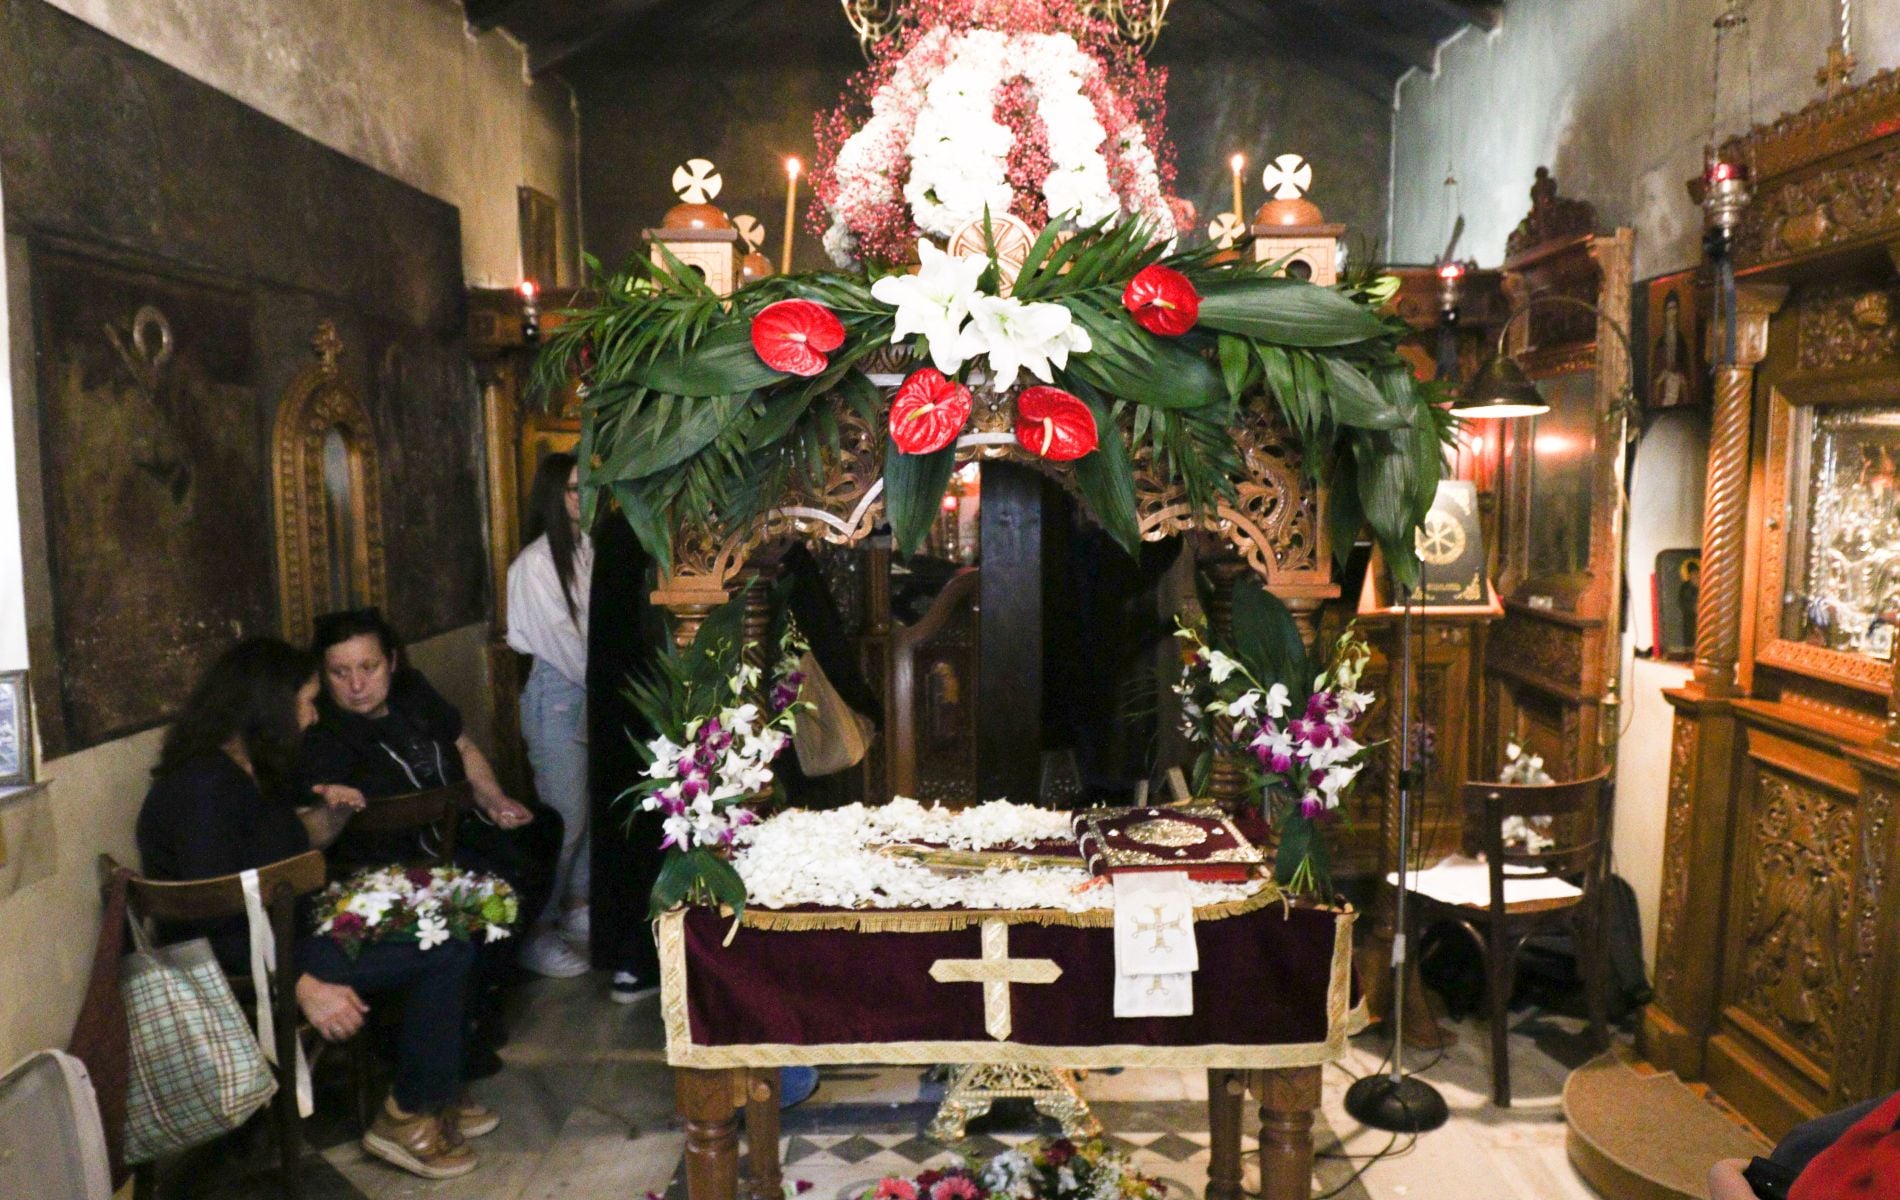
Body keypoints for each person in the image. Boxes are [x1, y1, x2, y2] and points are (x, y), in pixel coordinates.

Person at [136, 637, 492, 1181]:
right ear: (269, 708)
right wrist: (302, 984)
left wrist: (332, 815)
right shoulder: (202, 790)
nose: (313, 715)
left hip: (283, 936)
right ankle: (408, 1116)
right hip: (245, 961)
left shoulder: (245, 769)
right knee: (444, 952)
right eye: (305, 701)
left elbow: (281, 848)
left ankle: (432, 1089)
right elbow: (215, 917)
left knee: (443, 923)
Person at [298, 608, 581, 994]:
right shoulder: (324, 732)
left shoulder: (411, 692)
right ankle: (475, 986)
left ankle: (502, 962)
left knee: (541, 828)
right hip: (397, 863)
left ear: (391, 661)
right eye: (340, 673)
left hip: (459, 830)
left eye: (369, 667)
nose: (357, 684)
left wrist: (495, 800)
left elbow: (462, 747)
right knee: (501, 871)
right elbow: (313, 828)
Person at [506, 453, 596, 973]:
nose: (585, 498)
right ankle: (535, 929)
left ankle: (577, 905)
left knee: (589, 807)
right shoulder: (535, 564)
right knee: (564, 817)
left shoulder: (587, 548)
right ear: (553, 497)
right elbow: (565, 645)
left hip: (586, 688)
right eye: (574, 489)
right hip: (557, 693)